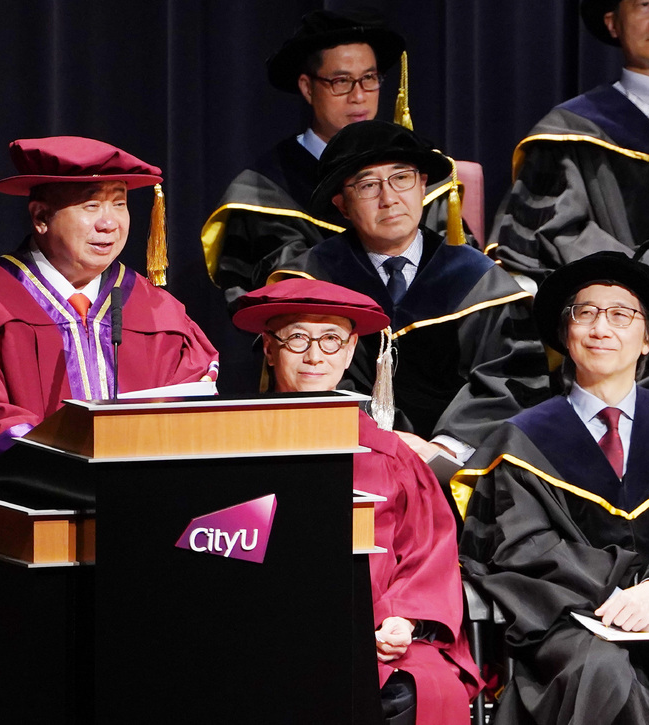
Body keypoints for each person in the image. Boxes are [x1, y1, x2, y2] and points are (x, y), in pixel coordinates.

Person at [232, 277, 481, 725]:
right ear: (269, 348)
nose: (315, 356)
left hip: (379, 633)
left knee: (423, 688)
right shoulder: (230, 444)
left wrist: (403, 620)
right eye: (297, 338)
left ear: (349, 352)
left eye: (331, 339)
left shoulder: (390, 455)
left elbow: (429, 552)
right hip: (264, 628)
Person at [0, 136, 219, 483]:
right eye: (91, 206)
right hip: (30, 505)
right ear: (41, 217)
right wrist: (62, 459)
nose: (109, 223)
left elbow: (194, 414)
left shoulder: (161, 312)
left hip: (140, 502)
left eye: (119, 203)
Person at [457, 252, 649, 724]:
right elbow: (523, 549)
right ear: (566, 334)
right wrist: (630, 594)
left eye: (620, 315)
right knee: (601, 672)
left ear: (648, 339)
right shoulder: (521, 441)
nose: (601, 328)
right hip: (569, 623)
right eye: (586, 313)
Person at [270, 120, 549, 463]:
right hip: (344, 458)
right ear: (342, 205)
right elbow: (299, 381)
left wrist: (444, 449)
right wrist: (378, 443)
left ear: (423, 184)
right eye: (368, 185)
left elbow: (509, 376)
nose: (389, 199)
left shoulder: (479, 281)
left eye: (402, 178)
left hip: (460, 471)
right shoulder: (310, 281)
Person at [201, 9, 459, 304]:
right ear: (307, 88)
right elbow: (272, 293)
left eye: (369, 78)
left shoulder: (421, 173)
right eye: (341, 81)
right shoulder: (266, 193)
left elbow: (460, 272)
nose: (358, 96)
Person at [489, 0, 649, 285]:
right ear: (612, 23)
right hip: (609, 297)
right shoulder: (568, 131)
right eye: (645, 4)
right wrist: (641, 277)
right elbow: (551, 232)